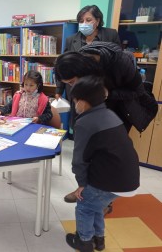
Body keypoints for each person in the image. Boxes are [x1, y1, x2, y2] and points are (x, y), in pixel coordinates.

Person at [55, 41, 147, 204]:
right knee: (88, 151)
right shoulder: (78, 62)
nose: (72, 87)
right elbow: (81, 156)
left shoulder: (119, 62)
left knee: (108, 155)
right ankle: (86, 189)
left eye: (71, 82)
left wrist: (106, 94)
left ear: (83, 72)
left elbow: (137, 91)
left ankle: (102, 197)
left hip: (120, 108)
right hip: (97, 106)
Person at [65, 75, 140, 252]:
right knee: (96, 205)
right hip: (128, 178)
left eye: (75, 100)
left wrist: (81, 184)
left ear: (82, 102)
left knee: (84, 205)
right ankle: (99, 240)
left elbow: (79, 160)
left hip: (111, 180)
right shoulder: (110, 114)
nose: (75, 105)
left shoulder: (84, 122)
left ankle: (84, 242)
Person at [55, 5, 121, 138]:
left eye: (88, 20)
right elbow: (65, 65)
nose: (84, 23)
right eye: (81, 21)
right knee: (80, 124)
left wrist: (107, 87)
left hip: (101, 89)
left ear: (97, 20)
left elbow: (117, 63)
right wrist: (58, 90)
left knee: (100, 127)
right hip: (77, 89)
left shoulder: (110, 35)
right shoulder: (71, 39)